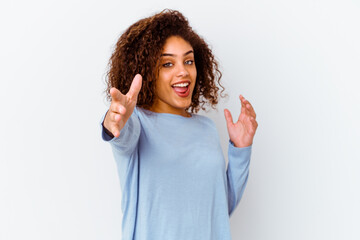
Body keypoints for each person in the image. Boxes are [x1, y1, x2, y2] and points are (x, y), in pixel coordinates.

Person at [100, 9, 258, 240]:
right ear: (146, 71)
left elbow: (218, 210)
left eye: (188, 60)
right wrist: (113, 120)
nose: (183, 71)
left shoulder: (207, 128)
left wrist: (241, 149)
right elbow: (120, 133)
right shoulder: (136, 123)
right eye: (167, 64)